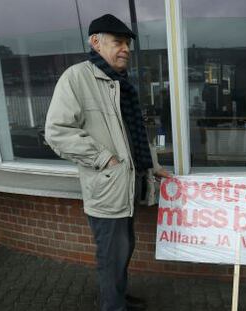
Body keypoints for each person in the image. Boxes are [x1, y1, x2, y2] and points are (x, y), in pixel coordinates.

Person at [45, 14, 170, 311]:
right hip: (107, 189)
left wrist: (153, 166)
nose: (125, 48)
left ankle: (117, 298)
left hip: (126, 187)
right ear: (96, 42)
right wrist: (105, 159)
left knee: (123, 252)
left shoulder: (120, 83)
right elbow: (57, 132)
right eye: (118, 42)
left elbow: (134, 133)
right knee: (111, 256)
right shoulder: (77, 78)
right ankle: (113, 307)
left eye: (127, 43)